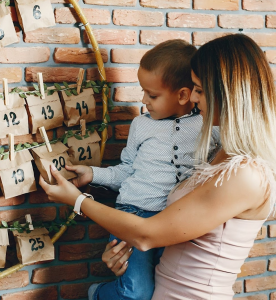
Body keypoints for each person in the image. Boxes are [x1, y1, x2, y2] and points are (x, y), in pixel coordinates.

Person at [40, 33, 276, 299]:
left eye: (198, 89)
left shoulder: (246, 174)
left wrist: (78, 200)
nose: (194, 99)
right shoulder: (222, 153)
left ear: (226, 93)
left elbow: (147, 235)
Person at [64, 39, 218, 300]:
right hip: (133, 214)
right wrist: (93, 173)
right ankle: (98, 294)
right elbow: (127, 170)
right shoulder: (141, 125)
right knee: (136, 294)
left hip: (176, 222)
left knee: (161, 290)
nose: (143, 99)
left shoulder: (210, 127)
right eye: (143, 91)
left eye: (152, 95)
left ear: (183, 95)